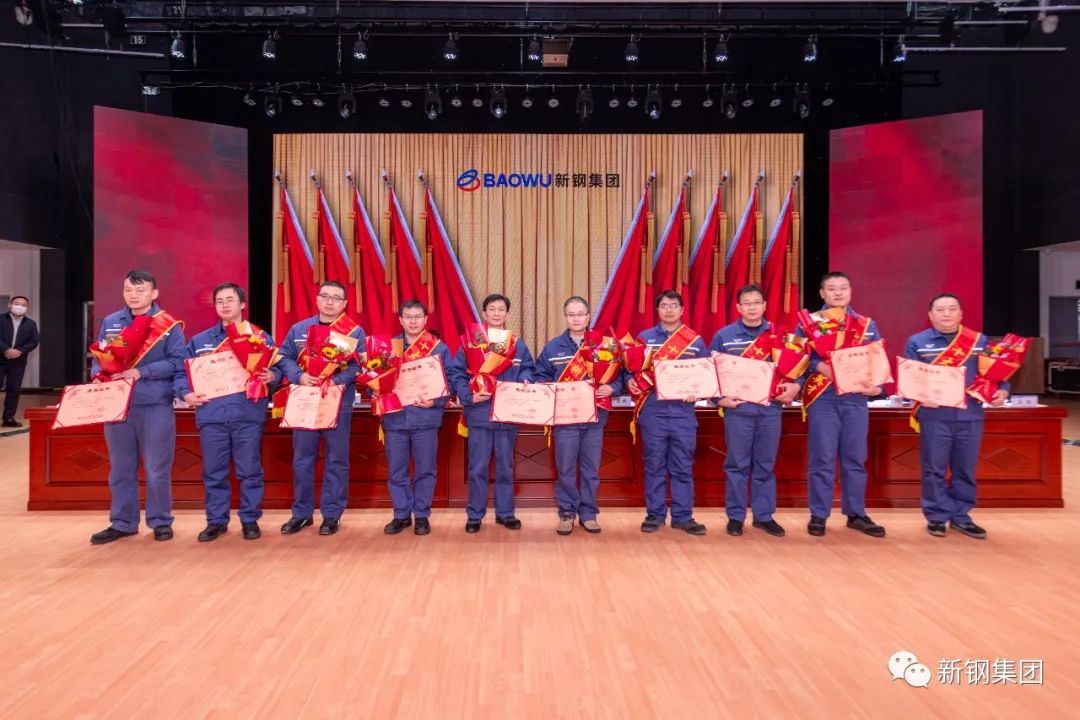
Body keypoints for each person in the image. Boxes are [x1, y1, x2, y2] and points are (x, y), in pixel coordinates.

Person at [175, 283, 280, 542]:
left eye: (230, 300)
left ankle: (250, 520)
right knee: (214, 472)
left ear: (242, 304)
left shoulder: (259, 337)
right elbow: (181, 374)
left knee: (250, 471)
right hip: (211, 415)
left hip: (247, 414)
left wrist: (272, 376)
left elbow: (278, 369)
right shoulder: (199, 341)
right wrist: (185, 394)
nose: (224, 305)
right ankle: (216, 522)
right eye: (219, 301)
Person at [90, 270, 186, 545]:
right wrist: (97, 374)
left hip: (154, 405)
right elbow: (99, 356)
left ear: (154, 293)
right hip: (118, 405)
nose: (133, 295)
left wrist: (141, 372)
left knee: (156, 469)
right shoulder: (111, 322)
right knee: (120, 469)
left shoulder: (168, 326)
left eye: (140, 290)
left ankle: (160, 521)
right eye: (128, 290)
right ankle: (123, 523)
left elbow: (177, 362)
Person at [903, 293, 1008, 539]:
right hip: (935, 415)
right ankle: (937, 516)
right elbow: (909, 377)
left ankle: (961, 516)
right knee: (934, 469)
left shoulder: (979, 341)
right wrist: (920, 395)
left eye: (952, 309)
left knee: (965, 469)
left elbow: (996, 373)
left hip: (970, 415)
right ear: (930, 315)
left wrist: (1003, 389)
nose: (946, 314)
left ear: (961, 314)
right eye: (940, 310)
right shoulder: (917, 342)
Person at [797, 272, 886, 538]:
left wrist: (878, 387)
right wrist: (818, 366)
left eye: (843, 288)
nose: (838, 293)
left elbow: (876, 359)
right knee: (822, 458)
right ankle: (819, 514)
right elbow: (797, 357)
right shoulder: (809, 323)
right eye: (832, 289)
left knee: (855, 458)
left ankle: (856, 513)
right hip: (823, 398)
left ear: (850, 291)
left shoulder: (865, 324)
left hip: (855, 398)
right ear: (822, 293)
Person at [710, 284, 801, 537]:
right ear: (738, 307)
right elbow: (710, 370)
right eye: (746, 303)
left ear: (764, 306)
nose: (752, 307)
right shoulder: (724, 336)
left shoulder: (781, 335)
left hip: (770, 409)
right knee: (737, 464)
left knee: (765, 464)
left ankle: (764, 516)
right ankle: (735, 516)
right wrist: (719, 399)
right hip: (738, 410)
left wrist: (796, 386)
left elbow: (797, 369)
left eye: (756, 302)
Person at [276, 280, 364, 536]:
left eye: (336, 298)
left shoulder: (354, 333)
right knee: (302, 460)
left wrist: (335, 380)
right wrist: (299, 376)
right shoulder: (299, 329)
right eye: (325, 296)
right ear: (316, 300)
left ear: (344, 304)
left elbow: (359, 366)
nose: (329, 302)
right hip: (304, 400)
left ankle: (332, 515)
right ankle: (301, 514)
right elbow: (283, 357)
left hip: (337, 401)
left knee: (336, 459)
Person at [534, 296, 623, 535]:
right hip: (565, 419)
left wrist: (612, 387)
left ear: (588, 316)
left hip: (594, 418)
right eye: (571, 314)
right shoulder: (553, 347)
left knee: (590, 468)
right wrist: (550, 388)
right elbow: (540, 376)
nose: (576, 318)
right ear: (565, 317)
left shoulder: (604, 345)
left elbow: (621, 375)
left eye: (580, 314)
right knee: (565, 468)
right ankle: (566, 513)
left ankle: (588, 513)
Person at [448, 293, 535, 533]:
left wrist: (526, 378)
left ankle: (505, 513)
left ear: (507, 314)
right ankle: (475, 515)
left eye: (501, 310)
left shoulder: (517, 345)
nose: (496, 313)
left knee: (506, 467)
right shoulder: (471, 342)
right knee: (477, 467)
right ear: (484, 313)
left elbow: (528, 368)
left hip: (508, 413)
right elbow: (456, 374)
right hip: (480, 413)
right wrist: (468, 397)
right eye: (492, 309)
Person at [627, 290, 708, 535]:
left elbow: (705, 375)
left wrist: (698, 392)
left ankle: (683, 516)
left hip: (683, 413)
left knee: (682, 466)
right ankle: (655, 515)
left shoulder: (694, 341)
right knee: (654, 465)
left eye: (674, 305)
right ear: (658, 310)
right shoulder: (645, 338)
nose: (669, 310)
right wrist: (630, 381)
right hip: (653, 411)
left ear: (682, 310)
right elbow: (631, 371)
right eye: (664, 305)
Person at [382, 300, 453, 536]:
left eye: (417, 316)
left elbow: (451, 380)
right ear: (401, 320)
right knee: (397, 471)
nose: (413, 321)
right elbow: (377, 376)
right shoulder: (389, 348)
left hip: (426, 418)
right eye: (408, 316)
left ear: (425, 319)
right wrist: (377, 389)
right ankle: (401, 515)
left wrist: (436, 400)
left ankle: (421, 515)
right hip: (395, 418)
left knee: (425, 469)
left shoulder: (439, 349)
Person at [0, 295, 39, 427]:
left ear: (27, 308)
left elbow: (34, 342)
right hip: (0, 358)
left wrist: (19, 351)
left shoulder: (31, 324)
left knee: (14, 389)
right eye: (17, 303)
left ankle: (8, 418)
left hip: (18, 361)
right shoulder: (1, 319)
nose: (20, 307)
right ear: (9, 305)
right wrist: (6, 349)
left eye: (23, 305)